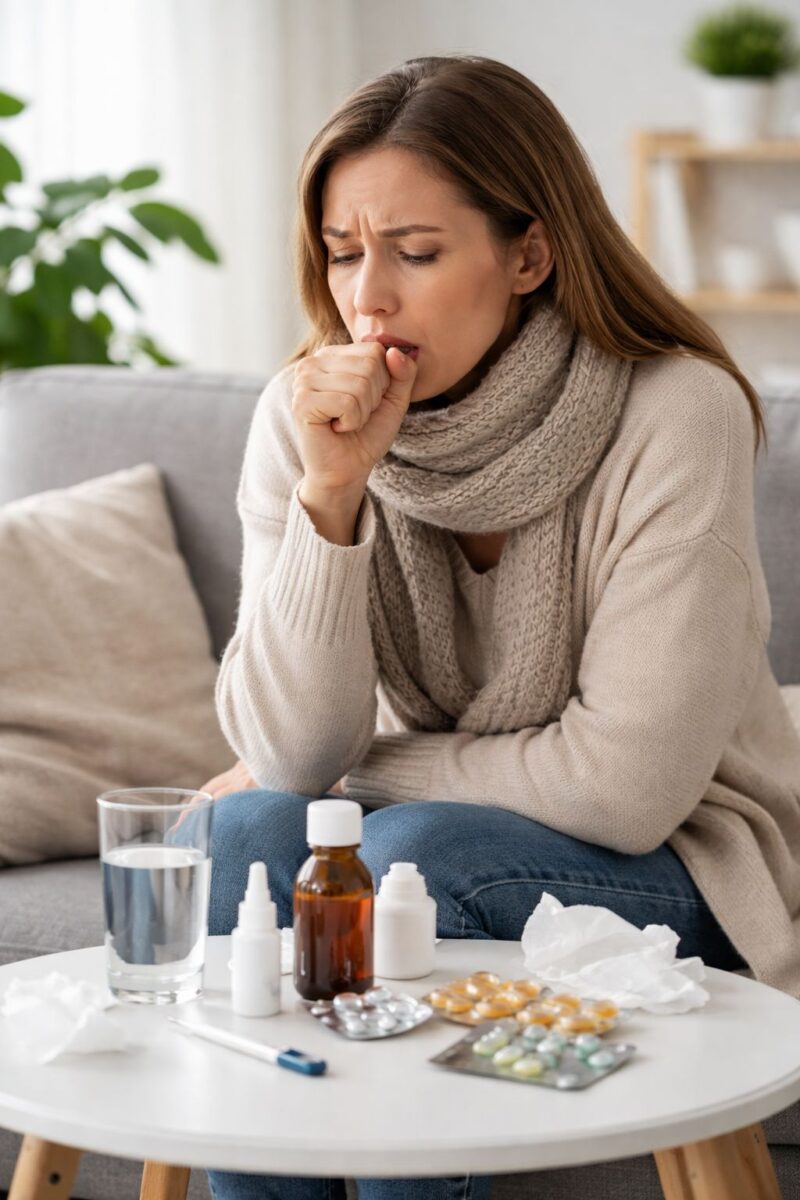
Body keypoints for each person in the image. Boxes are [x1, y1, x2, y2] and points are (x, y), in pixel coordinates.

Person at [202, 54, 800, 1200]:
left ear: (527, 254)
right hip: (438, 828)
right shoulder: (305, 419)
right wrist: (329, 500)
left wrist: (370, 770)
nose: (364, 298)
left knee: (407, 857)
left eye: (414, 253)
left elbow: (624, 786)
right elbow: (284, 760)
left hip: (674, 857)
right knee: (244, 839)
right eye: (341, 252)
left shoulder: (675, 412)